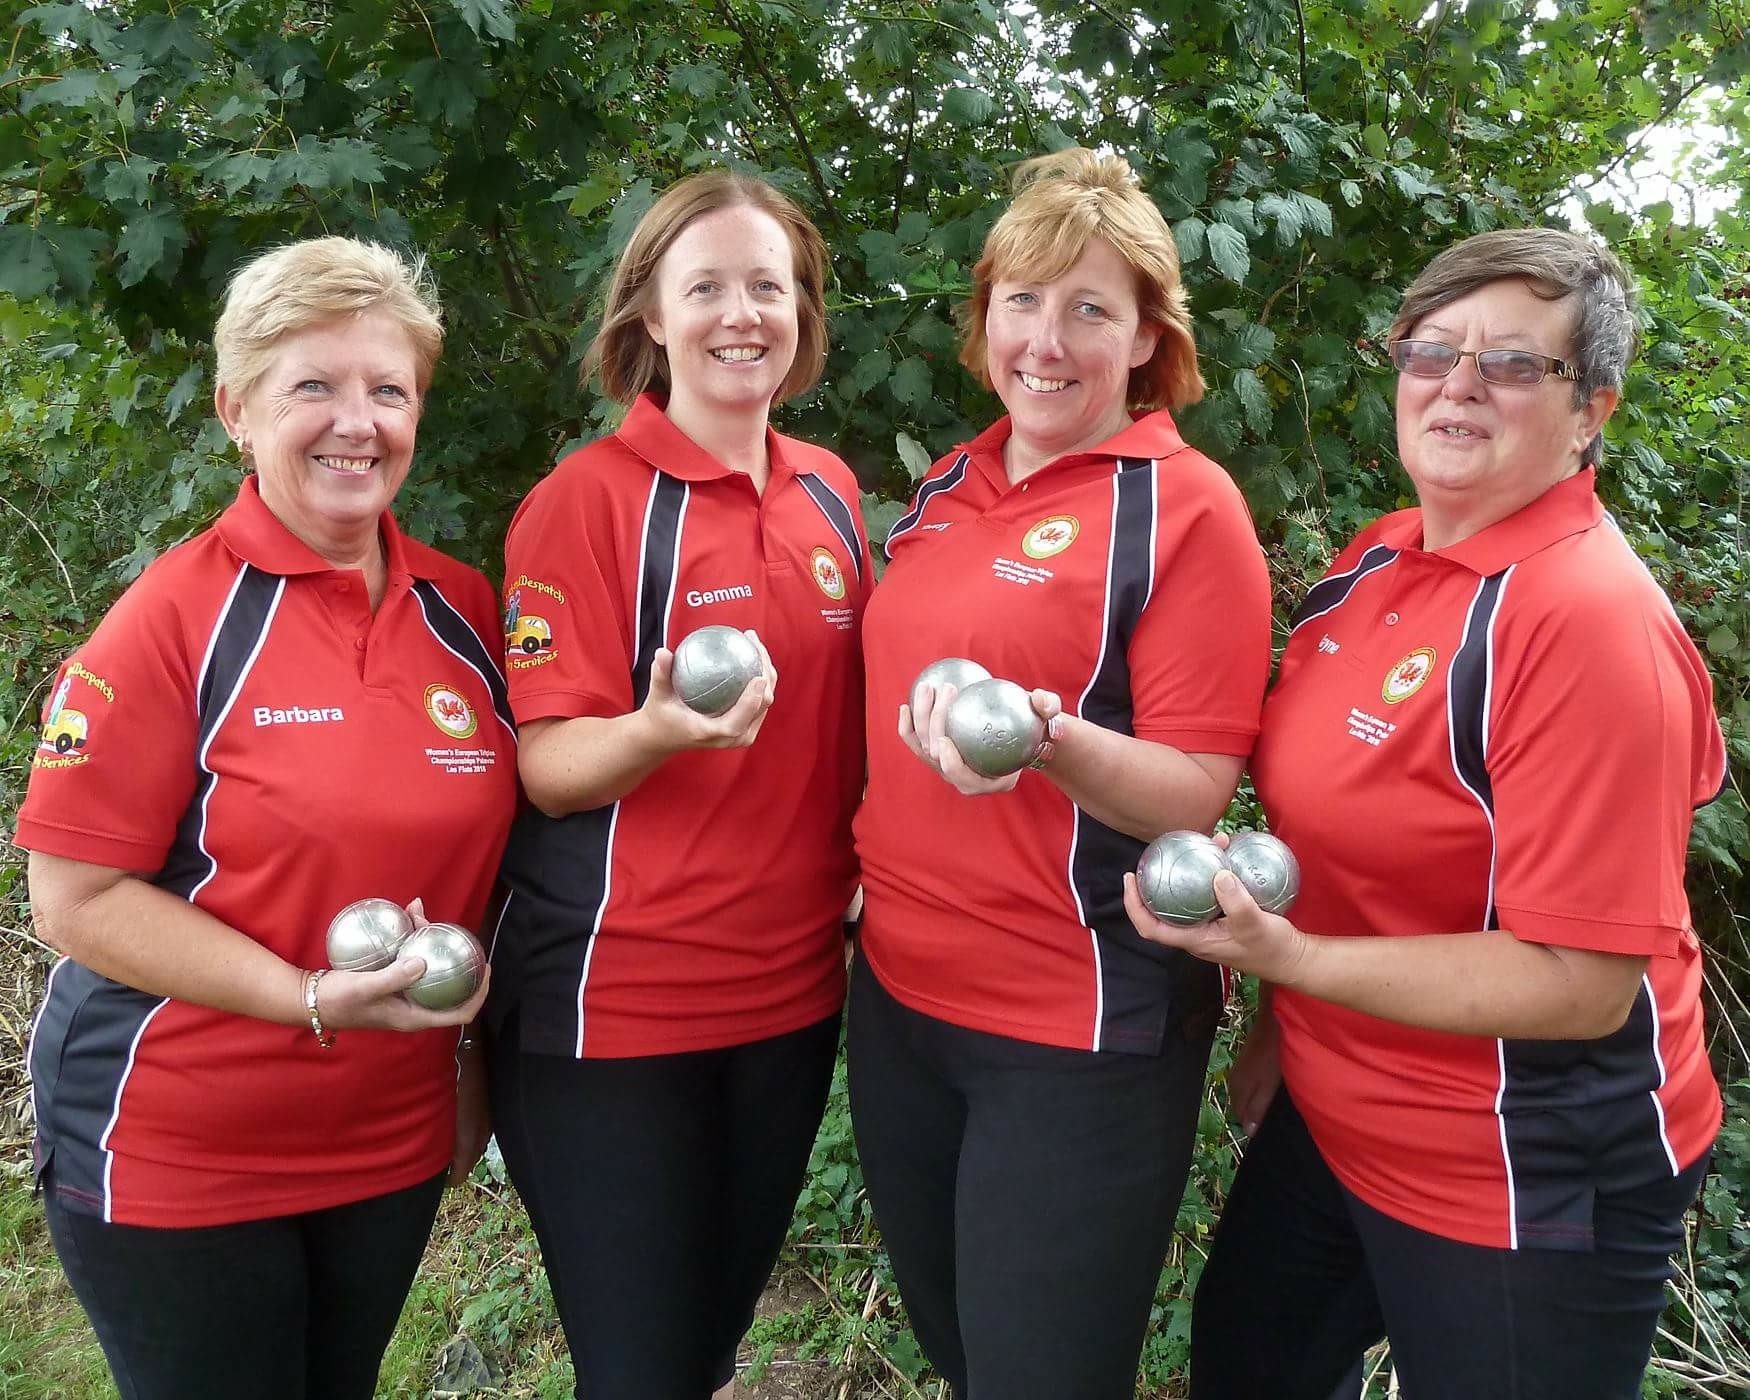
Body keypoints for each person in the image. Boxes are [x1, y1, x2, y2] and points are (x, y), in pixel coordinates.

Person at [1124, 228, 1726, 1400]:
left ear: (1591, 408)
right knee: (1250, 1364)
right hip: (1342, 1103)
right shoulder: (1379, 561)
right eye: (1429, 350)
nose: (1455, 383)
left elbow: (1580, 980)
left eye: (1510, 363)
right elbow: (1345, 846)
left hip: (1522, 1158)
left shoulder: (1586, 626)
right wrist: (1280, 1027)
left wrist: (1288, 960)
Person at [18, 236, 518, 1400]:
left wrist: (468, 1073)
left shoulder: (462, 606)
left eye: (388, 389)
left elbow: (484, 868)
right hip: (177, 1145)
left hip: (383, 1139)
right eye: (315, 387)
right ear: (237, 409)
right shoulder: (171, 620)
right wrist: (302, 996)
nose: (359, 421)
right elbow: (73, 898)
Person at [849, 148, 1273, 1399]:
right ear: (984, 316)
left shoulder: (1186, 511)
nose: (1047, 339)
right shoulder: (942, 488)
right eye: (1022, 301)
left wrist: (1049, 741)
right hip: (900, 1005)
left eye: (1090, 308)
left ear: (1147, 335)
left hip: (1072, 1024)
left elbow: (1195, 787)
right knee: (961, 1349)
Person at [486, 169, 871, 1400]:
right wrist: (654, 729)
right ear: (649, 313)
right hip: (617, 1007)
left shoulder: (831, 491)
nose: (740, 313)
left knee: (705, 1345)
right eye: (704, 286)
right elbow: (547, 771)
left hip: (792, 994)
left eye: (768, 285)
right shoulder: (584, 503)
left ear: (802, 310)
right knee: (640, 1366)